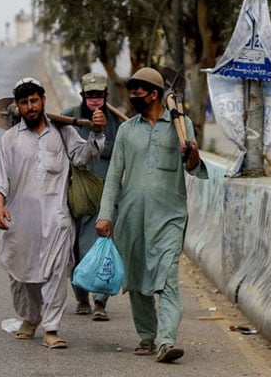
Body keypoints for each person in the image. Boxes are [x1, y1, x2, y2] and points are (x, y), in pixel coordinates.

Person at [95, 67, 209, 363]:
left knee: (167, 276)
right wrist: (105, 215)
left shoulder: (180, 126)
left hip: (169, 217)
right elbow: (114, 176)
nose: (133, 97)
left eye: (137, 92)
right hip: (131, 216)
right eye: (131, 91)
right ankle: (147, 334)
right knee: (136, 276)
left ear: (155, 94)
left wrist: (192, 152)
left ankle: (167, 339)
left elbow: (194, 167)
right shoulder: (126, 131)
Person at [0, 77, 106, 349]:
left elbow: (83, 156)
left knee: (54, 273)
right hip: (20, 222)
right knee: (23, 273)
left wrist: (97, 134)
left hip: (57, 219)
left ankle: (52, 328)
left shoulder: (63, 133)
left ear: (43, 100)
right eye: (24, 102)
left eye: (34, 100)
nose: (30, 107)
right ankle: (31, 317)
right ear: (18, 107)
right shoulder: (9, 140)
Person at [62, 72, 123, 321]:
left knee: (102, 246)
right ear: (83, 96)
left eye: (99, 96)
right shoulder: (69, 117)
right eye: (90, 96)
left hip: (106, 195)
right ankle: (81, 298)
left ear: (106, 96)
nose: (95, 101)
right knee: (75, 248)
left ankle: (100, 300)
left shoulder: (118, 122)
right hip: (75, 194)